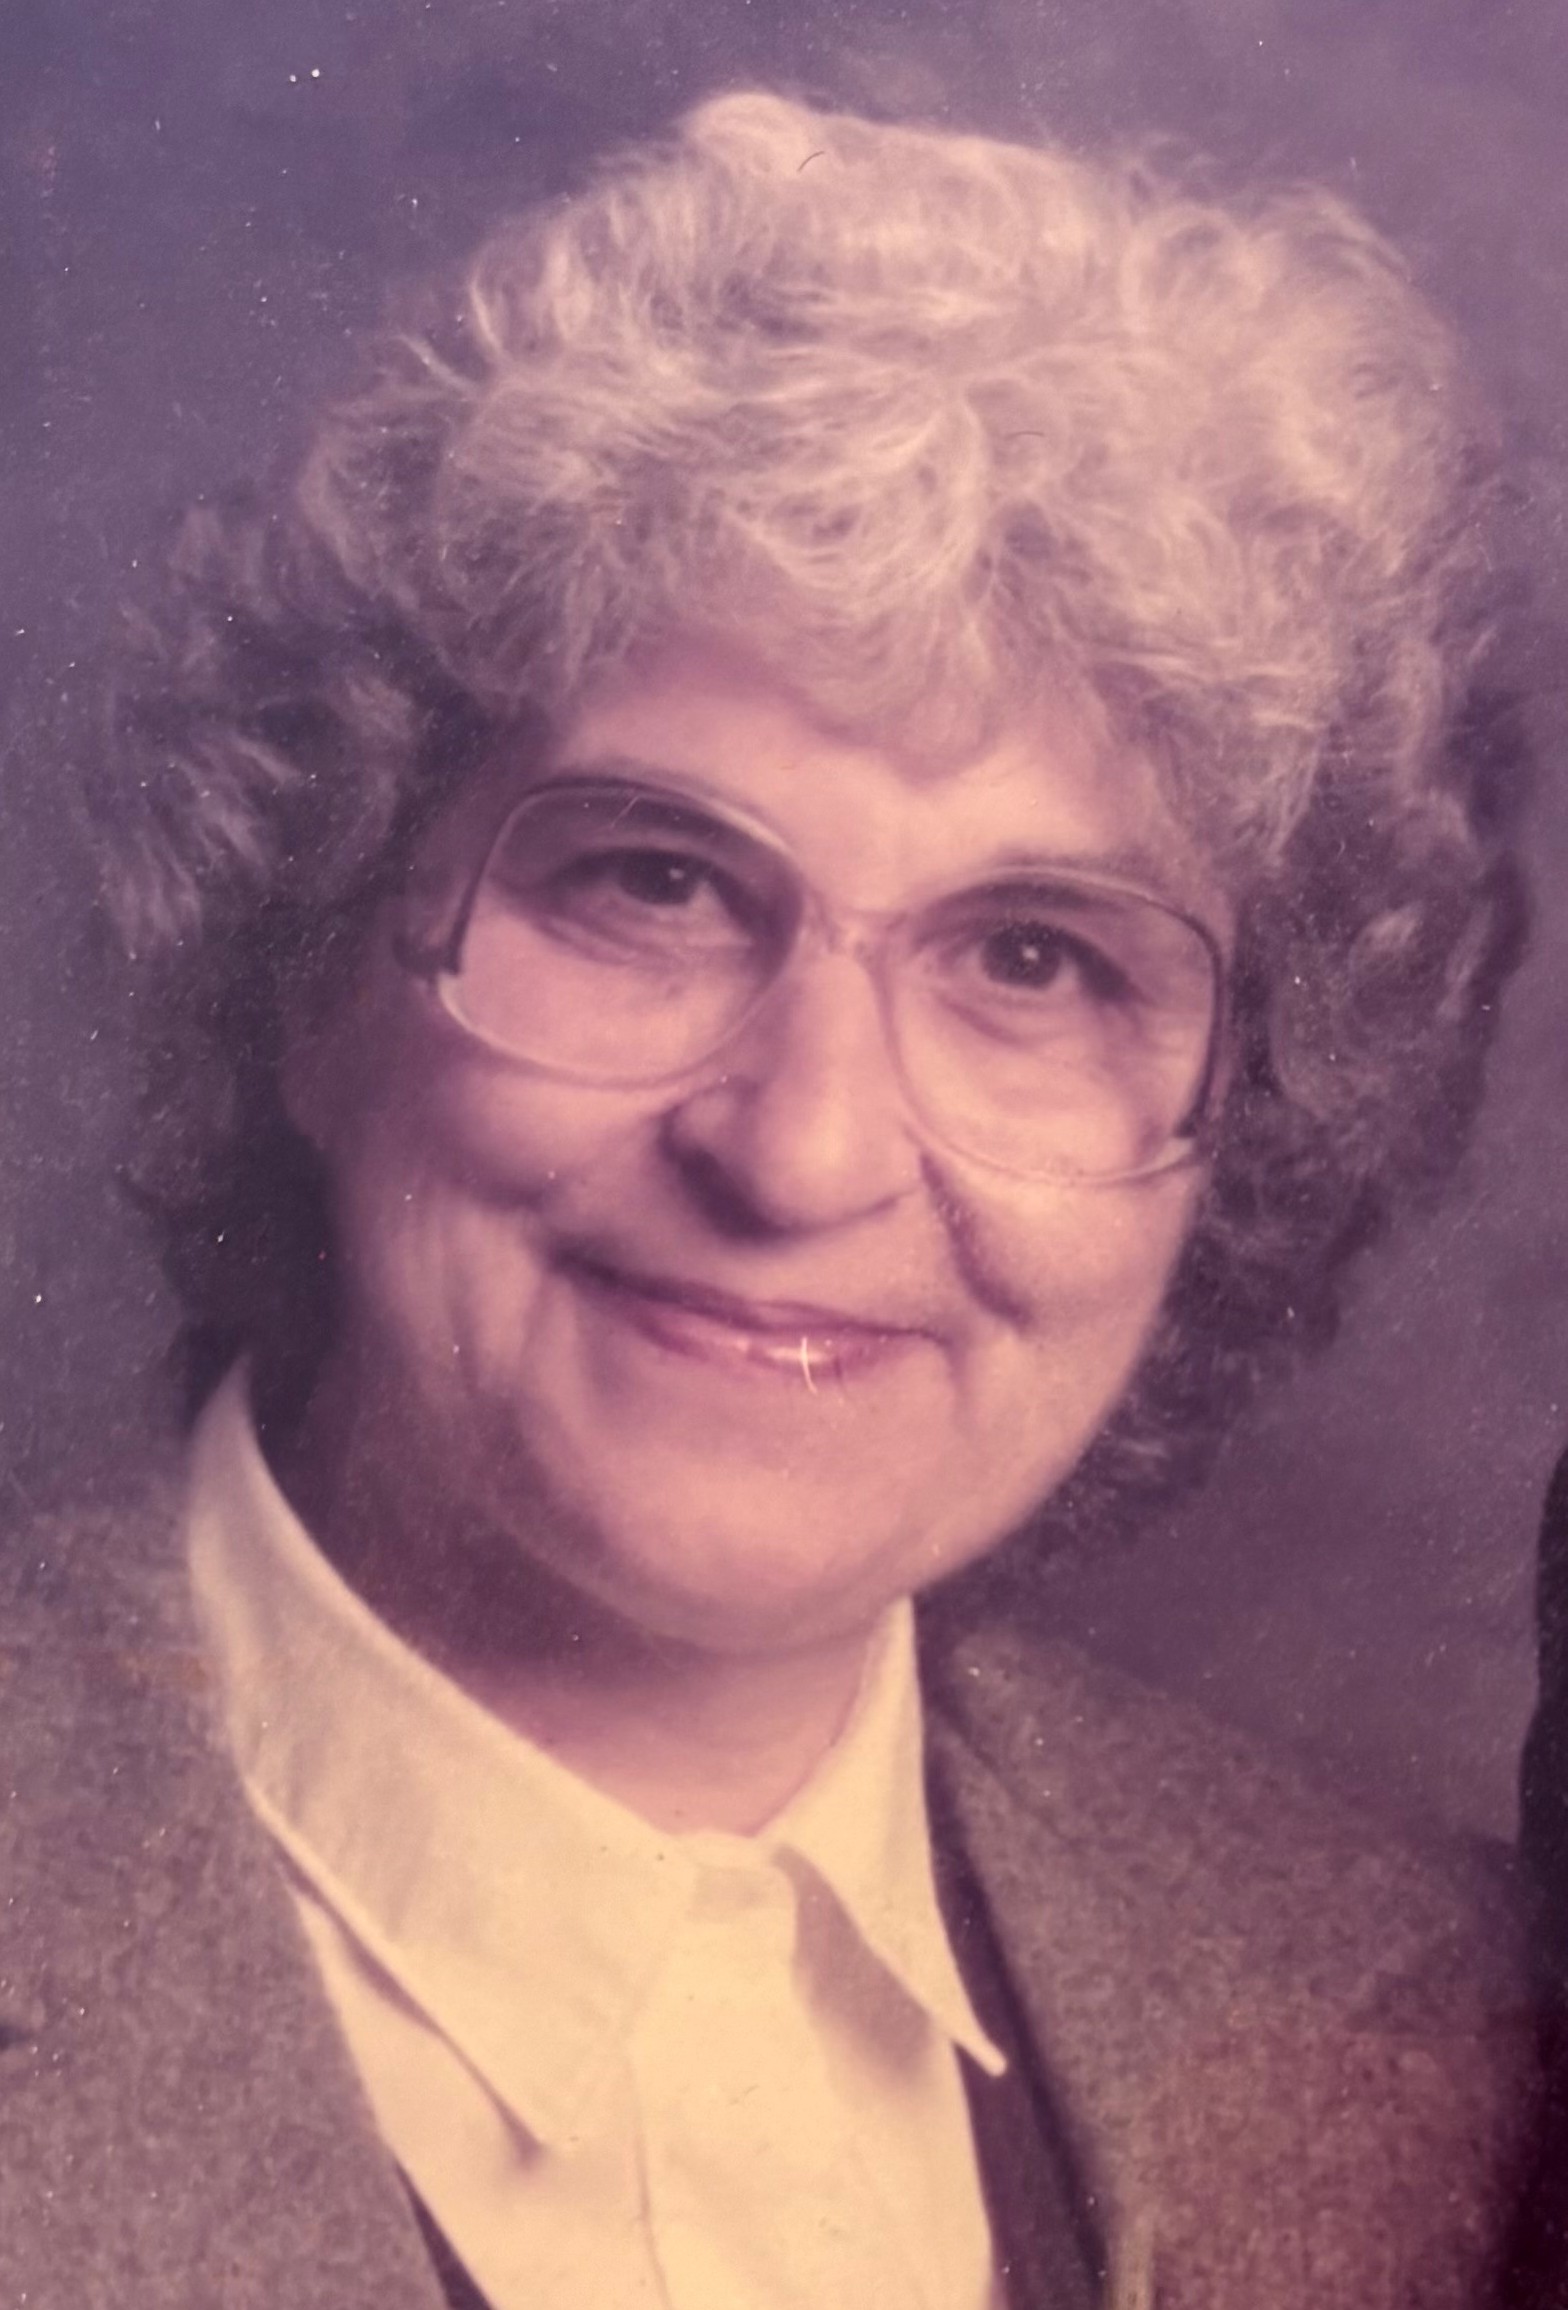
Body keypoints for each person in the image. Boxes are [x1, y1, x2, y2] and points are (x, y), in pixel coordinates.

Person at [0, 87, 1534, 2310]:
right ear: (313, 956)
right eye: (650, 881)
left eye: (1036, 960)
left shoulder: (1452, 2057)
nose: (802, 1149)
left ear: (1232, 1133)